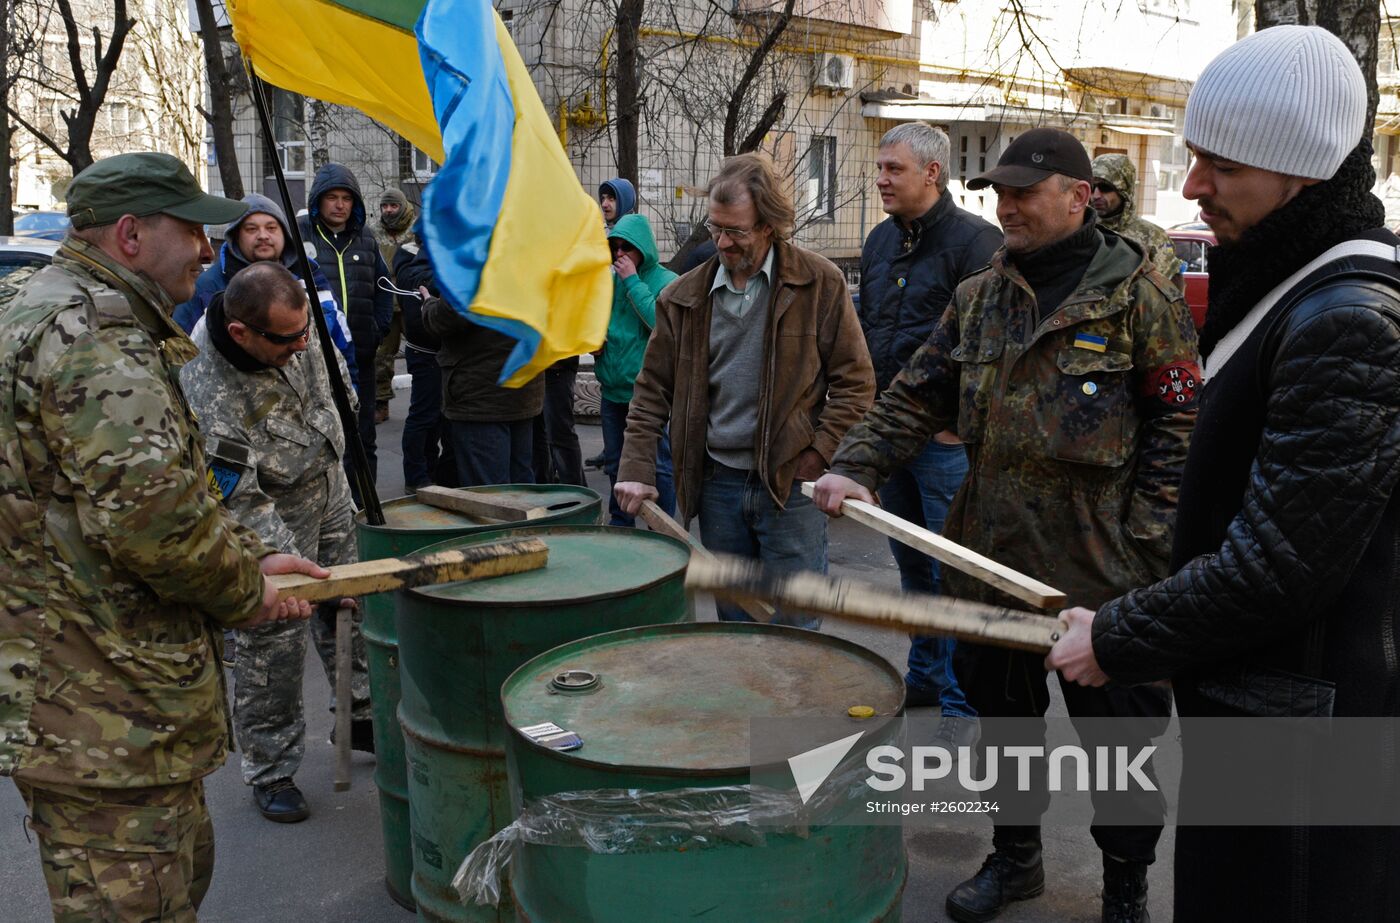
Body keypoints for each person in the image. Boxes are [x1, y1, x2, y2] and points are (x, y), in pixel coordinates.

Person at [1048, 26, 1400, 921]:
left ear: (1303, 174)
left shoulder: (1346, 314)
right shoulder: (1290, 278)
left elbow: (1282, 562)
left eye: (1223, 166)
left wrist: (1124, 637)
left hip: (1302, 752)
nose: (1194, 184)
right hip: (1266, 710)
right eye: (1196, 157)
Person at [813, 127, 1199, 923]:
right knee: (1005, 732)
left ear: (1078, 196)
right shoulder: (980, 297)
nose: (1007, 204)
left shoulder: (1138, 296)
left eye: (1025, 190)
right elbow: (916, 393)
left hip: (1104, 577)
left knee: (1119, 751)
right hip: (990, 561)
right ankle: (1016, 860)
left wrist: (1148, 551)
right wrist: (857, 462)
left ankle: (1125, 886)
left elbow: (1179, 428)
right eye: (999, 191)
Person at [0, 152, 325, 921]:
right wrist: (249, 591)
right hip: (105, 707)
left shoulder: (34, 303)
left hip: (70, 688)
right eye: (195, 232)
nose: (211, 252)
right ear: (130, 234)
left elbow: (102, 499)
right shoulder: (95, 340)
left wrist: (249, 551)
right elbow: (157, 526)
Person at [615, 153, 875, 628]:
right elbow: (651, 389)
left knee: (796, 627)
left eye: (736, 231)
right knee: (735, 626)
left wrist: (817, 455)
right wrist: (635, 466)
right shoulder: (682, 297)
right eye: (715, 228)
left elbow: (856, 384)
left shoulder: (819, 283)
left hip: (791, 487)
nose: (721, 242)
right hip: (718, 486)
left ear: (770, 225)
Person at [180, 262, 374, 824]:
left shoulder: (295, 325)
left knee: (350, 607)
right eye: (289, 339)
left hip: (330, 484)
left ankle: (359, 716)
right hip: (268, 508)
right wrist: (270, 555)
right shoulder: (205, 376)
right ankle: (272, 767)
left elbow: (334, 379)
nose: (302, 344)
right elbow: (235, 493)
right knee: (276, 633)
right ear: (243, 333)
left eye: (306, 331)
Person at [860, 122, 1002, 747]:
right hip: (893, 439)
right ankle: (925, 674)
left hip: (945, 445)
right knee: (913, 567)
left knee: (955, 575)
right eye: (881, 167)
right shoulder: (877, 242)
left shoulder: (978, 244)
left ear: (932, 173)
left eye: (893, 168)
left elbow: (993, 350)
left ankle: (961, 703)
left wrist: (958, 430)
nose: (881, 178)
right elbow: (871, 332)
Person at [172, 193, 357, 390]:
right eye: (251, 229)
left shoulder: (311, 277)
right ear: (236, 236)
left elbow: (342, 345)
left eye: (271, 228)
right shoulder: (208, 286)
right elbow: (181, 355)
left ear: (284, 233)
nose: (263, 235)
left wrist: (350, 395)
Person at [298, 164, 393, 499]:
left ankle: (366, 507)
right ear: (318, 201)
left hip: (361, 361)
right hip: (313, 364)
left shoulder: (366, 239)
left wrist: (375, 331)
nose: (339, 205)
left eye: (346, 198)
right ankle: (326, 511)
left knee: (362, 438)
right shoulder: (301, 235)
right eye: (332, 198)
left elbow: (384, 288)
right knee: (318, 439)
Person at [596, 212, 678, 525]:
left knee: (656, 466)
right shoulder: (610, 279)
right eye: (614, 247)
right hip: (612, 389)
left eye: (626, 247)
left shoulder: (666, 281)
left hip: (646, 394)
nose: (619, 254)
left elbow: (660, 325)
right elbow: (601, 318)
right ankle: (622, 524)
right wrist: (596, 339)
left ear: (642, 248)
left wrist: (632, 280)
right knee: (617, 463)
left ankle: (662, 524)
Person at [422, 289, 544, 487]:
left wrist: (428, 305)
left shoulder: (475, 259)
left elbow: (447, 318)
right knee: (521, 489)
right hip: (524, 387)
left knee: (490, 497)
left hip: (481, 394)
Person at [394, 221, 457, 489]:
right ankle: (418, 476)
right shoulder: (409, 256)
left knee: (447, 418)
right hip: (424, 351)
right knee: (425, 415)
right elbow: (422, 283)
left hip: (448, 351)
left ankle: (441, 475)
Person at [1089, 154, 1182, 288]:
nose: (1096, 195)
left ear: (1124, 191)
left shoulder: (1153, 237)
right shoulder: (1083, 230)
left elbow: (1166, 293)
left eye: (1105, 188)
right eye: (1092, 187)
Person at [373, 188, 417, 423]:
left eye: (393, 206)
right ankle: (381, 403)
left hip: (412, 302)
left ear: (402, 206)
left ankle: (424, 401)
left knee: (421, 352)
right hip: (386, 304)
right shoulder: (373, 233)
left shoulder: (416, 231)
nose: (388, 211)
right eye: (385, 206)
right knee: (381, 356)